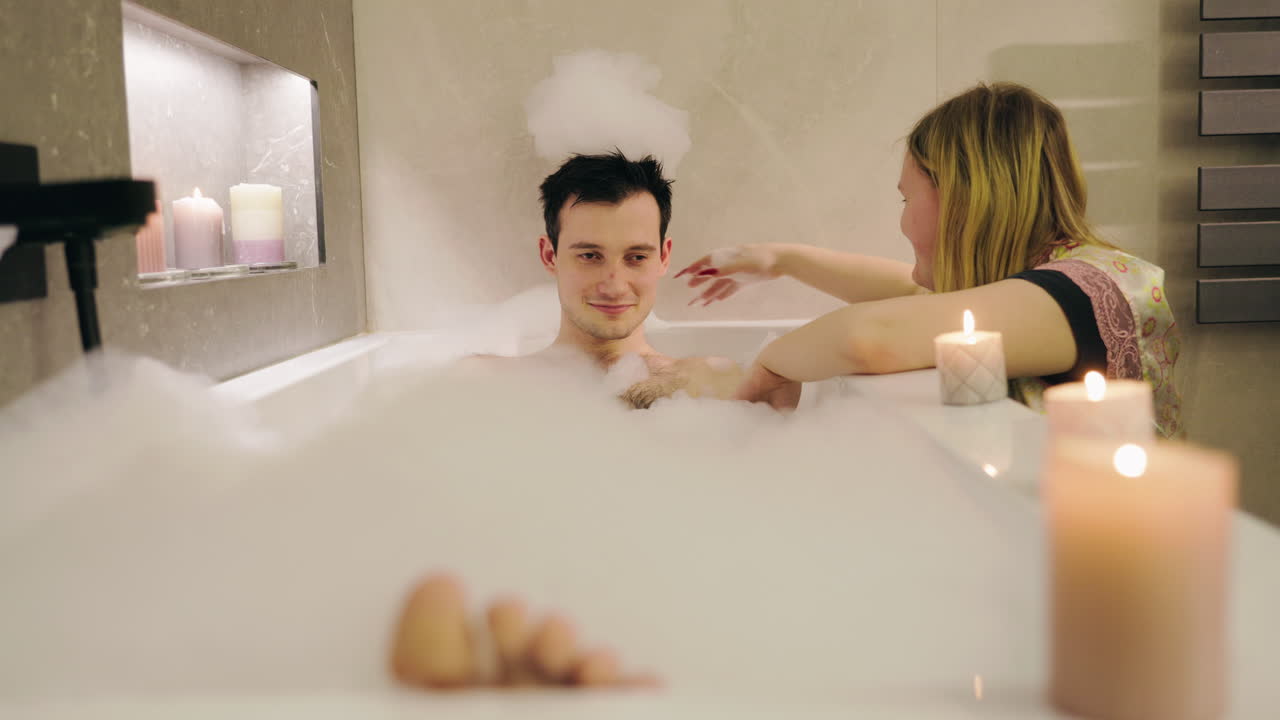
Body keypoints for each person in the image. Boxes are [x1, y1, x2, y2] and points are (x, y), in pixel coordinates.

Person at [678, 82, 1180, 437]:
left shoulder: (1076, 295)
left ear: (962, 199)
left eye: (905, 198)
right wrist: (783, 258)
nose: (901, 220)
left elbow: (870, 338)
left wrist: (766, 370)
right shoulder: (1059, 281)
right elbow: (908, 293)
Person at [470, 150, 751, 409]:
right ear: (549, 255)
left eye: (637, 257)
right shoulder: (484, 382)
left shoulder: (708, 382)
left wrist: (782, 260)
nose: (615, 286)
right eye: (590, 256)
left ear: (663, 258)